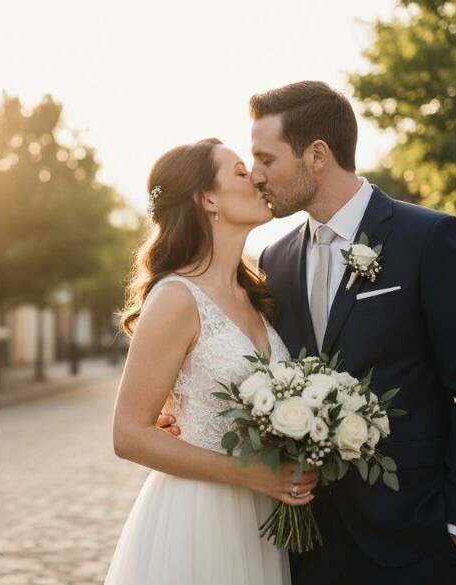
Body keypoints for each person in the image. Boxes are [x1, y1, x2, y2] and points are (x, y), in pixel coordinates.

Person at [159, 81, 456, 585]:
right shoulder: (275, 261)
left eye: (266, 159)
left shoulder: (429, 239)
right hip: (304, 542)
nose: (255, 176)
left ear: (316, 155)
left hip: (413, 540)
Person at [105, 138, 315, 585]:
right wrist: (254, 475)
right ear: (207, 199)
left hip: (260, 515)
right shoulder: (175, 298)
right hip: (200, 515)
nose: (256, 177)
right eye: (239, 171)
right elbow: (128, 434)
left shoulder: (258, 294)